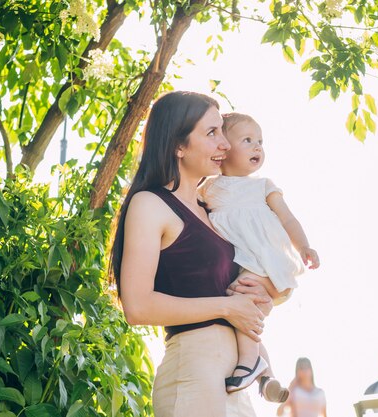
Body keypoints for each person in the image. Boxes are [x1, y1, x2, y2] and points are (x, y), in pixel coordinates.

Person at [110, 91, 274, 417]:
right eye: (212, 133)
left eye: (223, 133)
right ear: (178, 146)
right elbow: (137, 306)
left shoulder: (213, 210)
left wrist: (262, 295)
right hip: (193, 372)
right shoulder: (150, 204)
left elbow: (235, 285)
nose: (225, 145)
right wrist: (229, 306)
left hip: (231, 378)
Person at [198, 113, 320, 400]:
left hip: (266, 264)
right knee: (241, 313)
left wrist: (304, 247)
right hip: (243, 267)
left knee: (240, 300)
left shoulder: (263, 186)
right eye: (248, 140)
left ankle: (250, 363)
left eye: (260, 142)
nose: (257, 148)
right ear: (224, 148)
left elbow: (288, 219)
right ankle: (266, 377)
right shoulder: (207, 189)